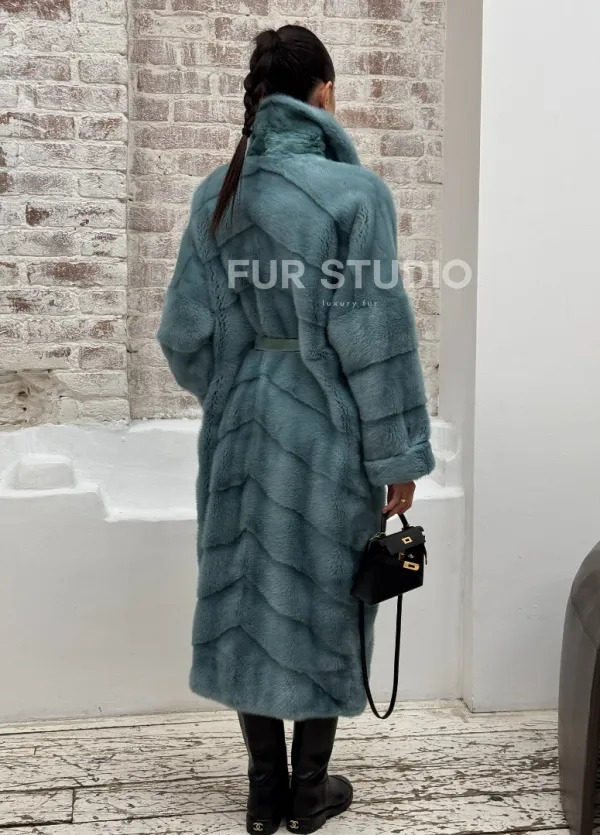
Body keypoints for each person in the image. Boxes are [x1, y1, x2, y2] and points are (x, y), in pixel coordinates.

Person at [157, 24, 435, 835]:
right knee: (326, 596)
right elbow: (373, 338)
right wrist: (397, 456)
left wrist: (241, 385)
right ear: (325, 93)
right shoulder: (356, 196)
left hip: (242, 427)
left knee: (247, 592)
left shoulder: (217, 193)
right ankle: (309, 792)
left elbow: (184, 335)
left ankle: (262, 792)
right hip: (326, 432)